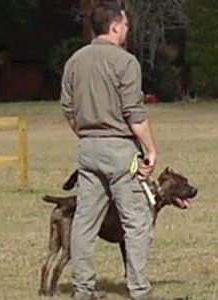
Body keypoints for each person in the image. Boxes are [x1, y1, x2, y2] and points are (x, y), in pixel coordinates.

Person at [60, 2, 158, 299]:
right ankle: (139, 288)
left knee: (85, 223)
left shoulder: (75, 61)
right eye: (126, 25)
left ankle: (83, 288)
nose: (127, 30)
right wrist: (150, 150)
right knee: (138, 220)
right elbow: (134, 114)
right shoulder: (125, 62)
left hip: (87, 149)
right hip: (120, 151)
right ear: (115, 26)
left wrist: (89, 135)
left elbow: (68, 109)